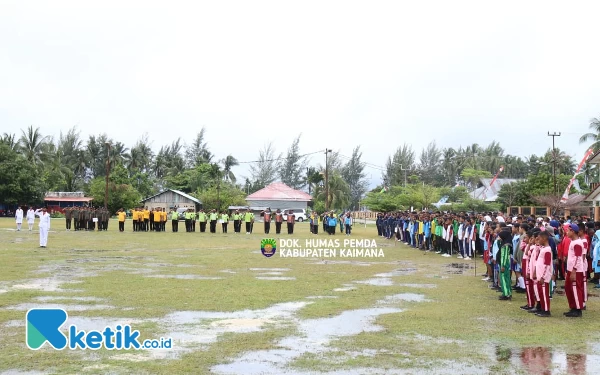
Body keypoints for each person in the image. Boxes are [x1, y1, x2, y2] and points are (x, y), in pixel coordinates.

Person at [565, 224, 585, 317]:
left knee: (575, 289)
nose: (567, 232)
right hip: (571, 269)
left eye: (568, 231)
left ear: (573, 232)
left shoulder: (577, 243)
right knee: (569, 289)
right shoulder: (573, 242)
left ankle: (578, 309)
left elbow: (578, 257)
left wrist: (574, 270)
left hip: (576, 270)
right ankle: (573, 307)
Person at [534, 230, 553, 317]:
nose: (539, 240)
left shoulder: (548, 250)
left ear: (545, 238)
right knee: (541, 293)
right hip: (540, 275)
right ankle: (542, 308)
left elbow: (547, 264)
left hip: (543, 277)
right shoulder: (543, 248)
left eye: (540, 238)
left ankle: (546, 310)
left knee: (544, 294)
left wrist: (543, 276)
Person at [498, 230, 513, 300]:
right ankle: (508, 292)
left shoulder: (506, 245)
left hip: (504, 263)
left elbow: (504, 256)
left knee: (503, 278)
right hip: (505, 263)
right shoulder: (505, 243)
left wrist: (503, 265)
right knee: (507, 278)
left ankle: (506, 294)